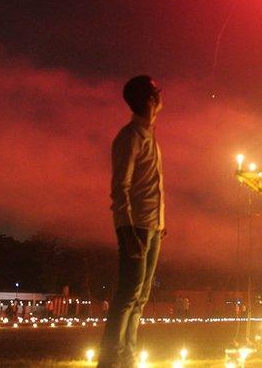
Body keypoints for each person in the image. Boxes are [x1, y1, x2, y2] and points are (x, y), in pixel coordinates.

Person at [97, 76, 166, 368]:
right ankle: (111, 359)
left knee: (140, 296)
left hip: (152, 226)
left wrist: (160, 223)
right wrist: (126, 231)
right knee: (128, 294)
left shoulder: (149, 136)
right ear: (150, 100)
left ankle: (127, 357)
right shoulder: (129, 138)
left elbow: (150, 186)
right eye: (156, 95)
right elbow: (120, 188)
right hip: (135, 227)